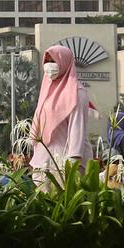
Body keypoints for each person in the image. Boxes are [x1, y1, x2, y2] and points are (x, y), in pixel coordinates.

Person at [29, 45, 93, 182]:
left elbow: (77, 127)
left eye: (53, 61)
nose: (49, 65)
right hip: (43, 160)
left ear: (64, 62)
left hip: (64, 162)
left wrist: (72, 161)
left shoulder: (77, 92)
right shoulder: (46, 89)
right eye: (46, 61)